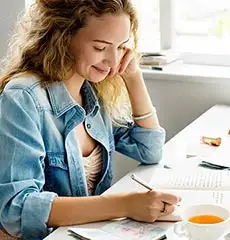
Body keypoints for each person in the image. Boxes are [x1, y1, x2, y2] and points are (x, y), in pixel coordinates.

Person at [0, 0, 181, 239]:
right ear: (63, 39)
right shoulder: (23, 98)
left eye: (121, 47)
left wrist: (134, 76)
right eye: (100, 48)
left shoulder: (94, 91)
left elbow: (150, 150)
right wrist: (124, 205)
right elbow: (16, 210)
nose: (114, 62)